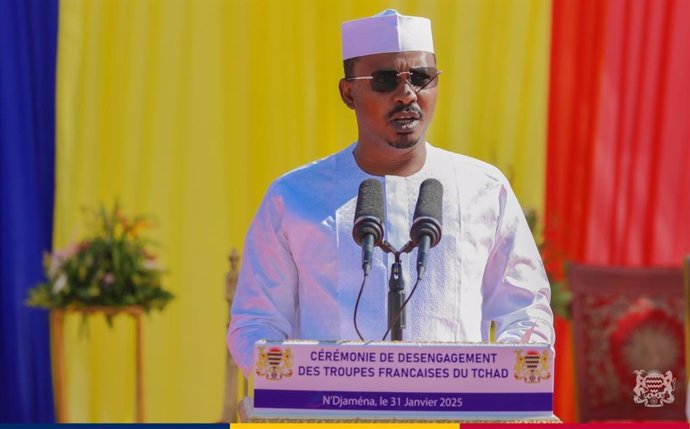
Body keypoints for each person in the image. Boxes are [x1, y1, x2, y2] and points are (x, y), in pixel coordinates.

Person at [228, 9, 554, 377]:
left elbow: (527, 312)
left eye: (421, 77)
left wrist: (491, 382)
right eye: (385, 80)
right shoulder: (293, 197)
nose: (407, 95)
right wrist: (300, 387)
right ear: (348, 92)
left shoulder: (483, 189)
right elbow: (256, 322)